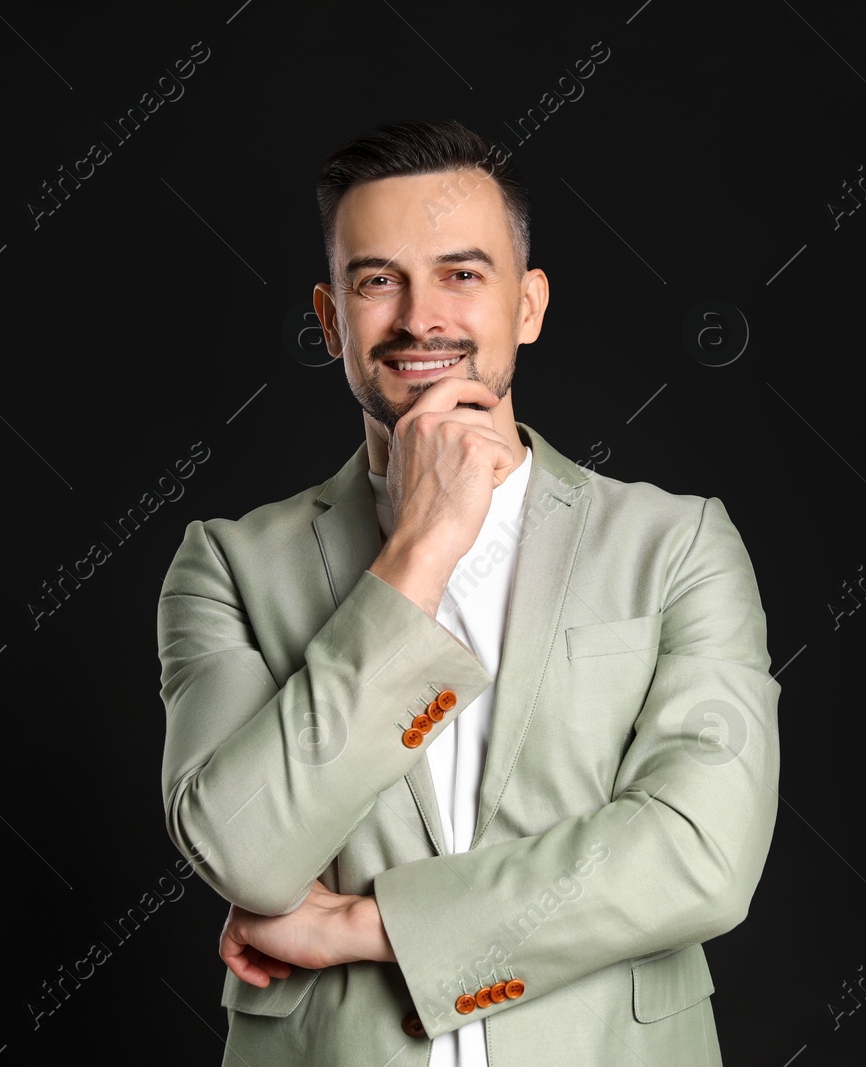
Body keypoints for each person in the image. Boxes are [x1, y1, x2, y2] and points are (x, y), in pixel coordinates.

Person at [156, 118, 780, 1066]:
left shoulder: (678, 545)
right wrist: (421, 548)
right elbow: (243, 850)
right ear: (331, 321)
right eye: (377, 281)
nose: (418, 319)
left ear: (527, 305)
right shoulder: (227, 566)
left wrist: (368, 927)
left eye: (461, 273)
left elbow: (699, 855)